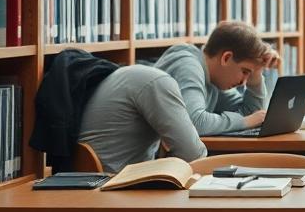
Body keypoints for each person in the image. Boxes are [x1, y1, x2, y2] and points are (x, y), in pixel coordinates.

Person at [77, 64, 207, 174]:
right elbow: (193, 155)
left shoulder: (132, 76)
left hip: (87, 181)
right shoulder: (158, 83)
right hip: (120, 183)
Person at [153, 21, 277, 137]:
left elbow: (252, 116)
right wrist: (244, 122)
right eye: (244, 71)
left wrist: (256, 76)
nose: (243, 82)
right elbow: (193, 123)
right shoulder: (188, 66)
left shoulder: (214, 80)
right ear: (226, 58)